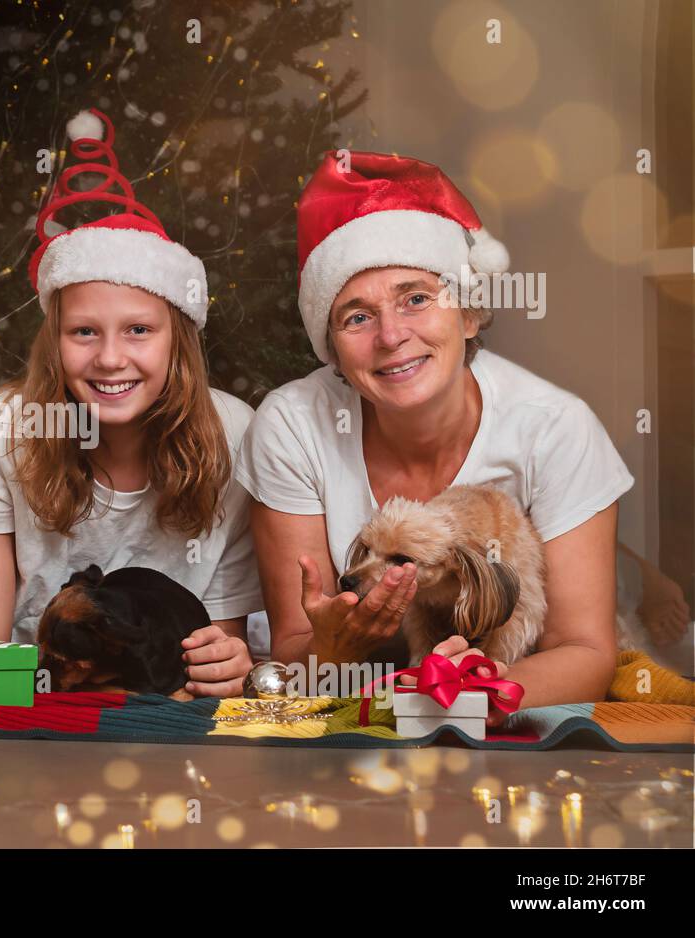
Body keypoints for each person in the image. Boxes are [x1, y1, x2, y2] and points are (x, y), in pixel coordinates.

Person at [237, 151, 634, 715]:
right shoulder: (292, 426)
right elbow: (298, 656)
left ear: (469, 315)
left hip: (492, 709)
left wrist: (459, 701)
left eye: (417, 298)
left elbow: (585, 652)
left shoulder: (557, 428)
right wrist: (333, 648)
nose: (391, 335)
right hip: (362, 718)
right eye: (356, 316)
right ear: (331, 347)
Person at [0, 110, 261, 697]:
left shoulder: (236, 434)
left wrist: (224, 664)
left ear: (178, 339)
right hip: (31, 703)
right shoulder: (2, 428)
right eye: (84, 332)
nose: (111, 359)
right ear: (54, 341)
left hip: (170, 711)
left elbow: (211, 647)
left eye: (139, 330)